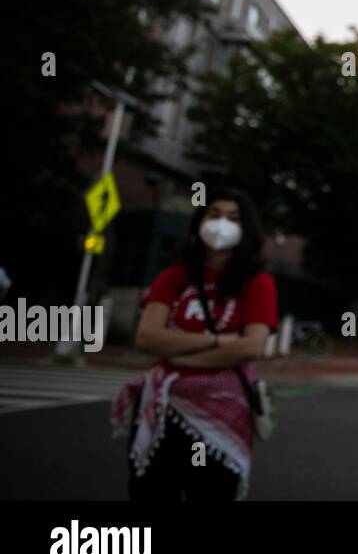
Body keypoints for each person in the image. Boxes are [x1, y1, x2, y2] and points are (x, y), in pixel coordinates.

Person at [110, 189, 278, 500]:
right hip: (163, 408)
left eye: (233, 218)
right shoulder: (174, 277)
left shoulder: (257, 283)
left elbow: (251, 346)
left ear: (247, 229)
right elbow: (147, 337)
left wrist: (182, 358)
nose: (221, 224)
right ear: (199, 222)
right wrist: (215, 340)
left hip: (224, 412)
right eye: (214, 215)